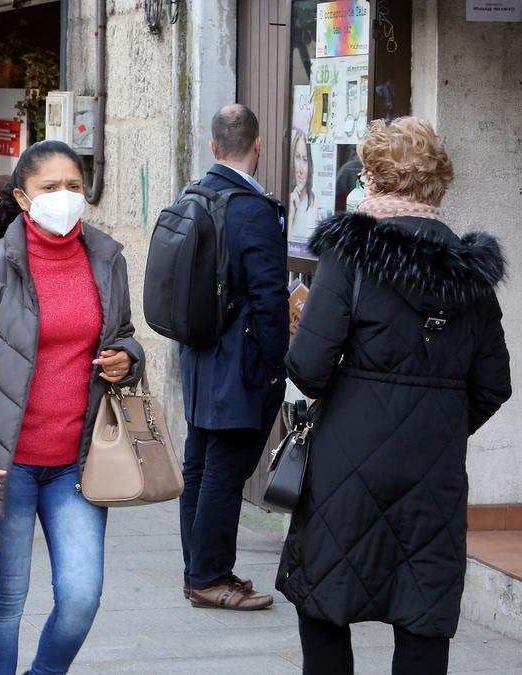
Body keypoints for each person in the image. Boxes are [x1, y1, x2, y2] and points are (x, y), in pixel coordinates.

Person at [279, 117, 511, 675]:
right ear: (439, 184)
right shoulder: (471, 272)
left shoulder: (350, 254)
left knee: (326, 604)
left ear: (374, 179)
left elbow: (309, 369)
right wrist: (440, 419)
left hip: (345, 458)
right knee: (423, 613)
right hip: (434, 468)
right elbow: (493, 383)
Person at [0, 140, 144, 674]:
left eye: (73, 186)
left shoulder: (106, 258)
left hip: (76, 464)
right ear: (24, 199)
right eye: (50, 187)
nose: (65, 196)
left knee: (80, 598)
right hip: (5, 465)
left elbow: (121, 335)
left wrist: (127, 356)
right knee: (3, 607)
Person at [179, 104, 288, 611]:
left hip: (198, 356)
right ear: (258, 145)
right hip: (239, 361)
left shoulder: (193, 196)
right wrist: (274, 368)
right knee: (223, 470)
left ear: (213, 147)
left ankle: (199, 568)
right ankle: (209, 576)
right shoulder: (253, 209)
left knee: (200, 466)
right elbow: (270, 300)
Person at [287, 129, 318, 242]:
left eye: (305, 160)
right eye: (297, 157)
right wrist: (290, 217)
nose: (301, 169)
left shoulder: (313, 204)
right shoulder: (285, 196)